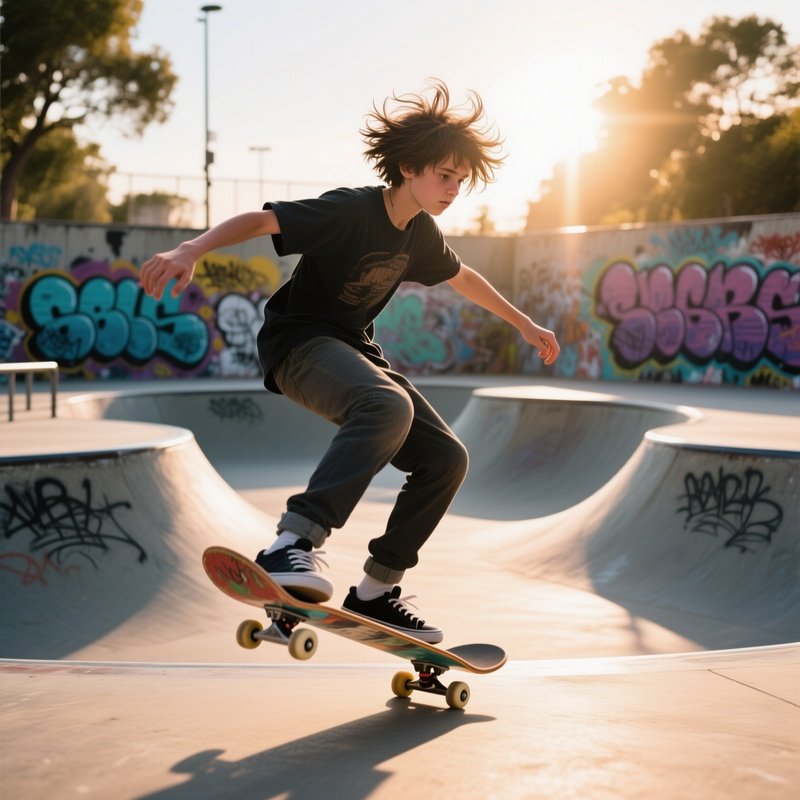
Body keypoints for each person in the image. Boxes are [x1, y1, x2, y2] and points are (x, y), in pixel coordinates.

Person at [140, 80, 559, 644]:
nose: (454, 188)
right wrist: (190, 249)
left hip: (353, 349)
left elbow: (464, 278)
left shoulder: (422, 234)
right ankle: (293, 542)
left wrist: (525, 324)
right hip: (298, 344)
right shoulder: (351, 209)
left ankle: (378, 591)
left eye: (462, 179)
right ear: (408, 168)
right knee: (385, 404)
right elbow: (262, 220)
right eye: (444, 175)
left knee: (445, 459)